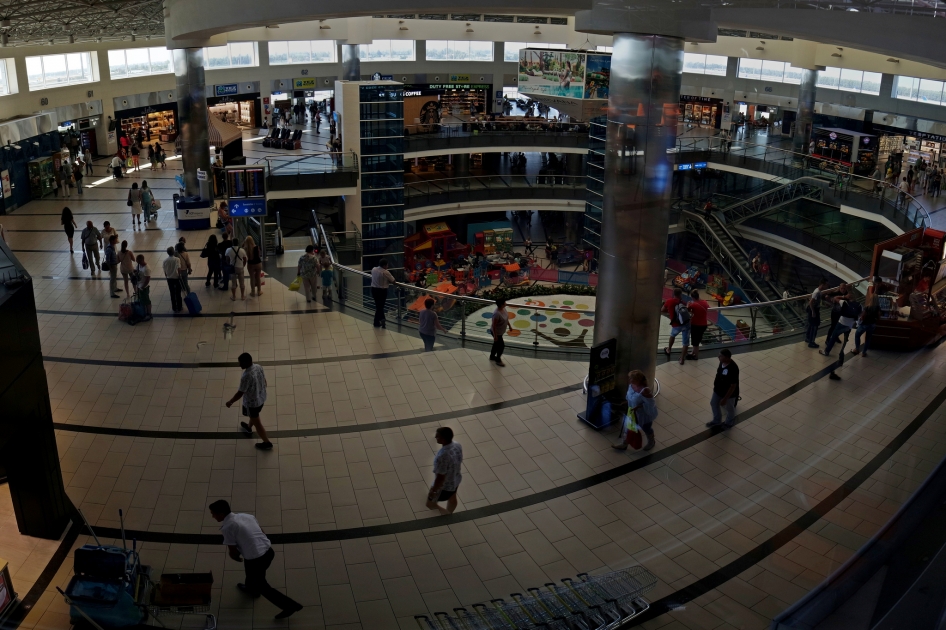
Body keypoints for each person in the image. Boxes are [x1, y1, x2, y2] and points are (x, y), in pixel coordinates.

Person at [208, 500, 302, 619]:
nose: (212, 516)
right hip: (268, 551)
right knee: (253, 574)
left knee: (262, 584)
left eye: (213, 514)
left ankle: (289, 606)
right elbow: (261, 530)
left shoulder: (228, 527)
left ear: (221, 514)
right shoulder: (246, 516)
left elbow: (232, 549)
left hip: (255, 559)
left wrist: (235, 557)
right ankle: (251, 588)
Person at [226, 352, 273, 450]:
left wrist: (230, 401)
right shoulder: (258, 367)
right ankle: (248, 427)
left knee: (258, 423)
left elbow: (240, 392)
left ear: (247, 362)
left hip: (253, 403)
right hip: (262, 398)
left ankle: (267, 442)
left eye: (241, 363)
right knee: (254, 416)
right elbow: (264, 381)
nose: (239, 365)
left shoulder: (246, 376)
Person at [612, 370, 658, 451]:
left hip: (643, 414)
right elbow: (630, 396)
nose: (630, 380)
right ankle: (624, 443)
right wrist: (627, 402)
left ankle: (651, 441)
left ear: (638, 380)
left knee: (646, 428)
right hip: (632, 411)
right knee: (629, 427)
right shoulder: (632, 385)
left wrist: (639, 406)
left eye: (632, 379)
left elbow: (651, 404)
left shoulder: (645, 390)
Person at [426, 427, 463, 515]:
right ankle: (450, 511)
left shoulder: (442, 456)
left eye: (437, 436)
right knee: (452, 498)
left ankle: (447, 516)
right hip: (456, 479)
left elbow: (440, 477)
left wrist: (434, 491)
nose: (435, 437)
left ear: (443, 439)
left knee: (430, 504)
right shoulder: (457, 445)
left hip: (445, 486)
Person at [707, 349, 739, 428]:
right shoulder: (722, 362)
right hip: (718, 390)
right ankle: (717, 420)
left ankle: (729, 422)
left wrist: (725, 399)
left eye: (720, 356)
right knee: (713, 403)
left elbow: (733, 386)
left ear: (727, 358)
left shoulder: (733, 368)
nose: (718, 357)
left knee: (729, 408)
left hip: (729, 393)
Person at [662, 288, 690, 362]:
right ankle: (682, 359)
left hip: (676, 324)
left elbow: (662, 310)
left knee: (672, 335)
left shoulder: (669, 301)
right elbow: (687, 310)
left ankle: (669, 349)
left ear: (673, 294)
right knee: (685, 342)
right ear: (680, 294)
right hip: (686, 324)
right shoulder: (683, 302)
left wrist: (669, 311)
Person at [852, 293, 880, 358]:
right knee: (868, 339)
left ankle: (857, 349)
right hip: (872, 325)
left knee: (857, 335)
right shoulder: (878, 308)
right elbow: (878, 317)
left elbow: (862, 316)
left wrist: (861, 318)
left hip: (864, 325)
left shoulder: (867, 307)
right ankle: (864, 353)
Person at [370, 259, 395, 328]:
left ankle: (379, 321)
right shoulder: (386, 272)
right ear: (384, 265)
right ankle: (379, 321)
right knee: (380, 307)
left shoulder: (374, 269)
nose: (388, 266)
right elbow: (393, 281)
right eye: (387, 265)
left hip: (374, 290)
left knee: (378, 306)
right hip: (381, 291)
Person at [805, 279, 829, 348]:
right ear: (822, 285)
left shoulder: (819, 291)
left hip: (815, 310)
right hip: (814, 310)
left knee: (811, 325)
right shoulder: (817, 292)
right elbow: (811, 302)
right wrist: (813, 311)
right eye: (826, 285)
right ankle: (811, 342)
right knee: (814, 326)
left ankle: (808, 338)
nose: (827, 286)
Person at [687, 289, 709, 360]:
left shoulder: (693, 305)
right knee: (697, 340)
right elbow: (707, 307)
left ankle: (695, 356)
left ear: (693, 298)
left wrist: (688, 305)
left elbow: (688, 310)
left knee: (695, 342)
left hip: (696, 325)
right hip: (704, 324)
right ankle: (693, 352)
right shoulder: (705, 302)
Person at [489, 298, 512, 366]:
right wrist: (495, 336)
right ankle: (498, 359)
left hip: (500, 332)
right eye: (504, 302)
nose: (506, 303)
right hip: (497, 333)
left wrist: (509, 326)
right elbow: (494, 325)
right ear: (501, 304)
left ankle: (492, 356)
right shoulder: (497, 314)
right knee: (501, 346)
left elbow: (506, 318)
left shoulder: (504, 309)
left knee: (496, 345)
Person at [163, 247, 184, 313]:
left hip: (169, 279)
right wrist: (179, 275)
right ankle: (179, 307)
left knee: (172, 293)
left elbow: (165, 271)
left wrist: (167, 276)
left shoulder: (165, 261)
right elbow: (179, 268)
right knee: (178, 293)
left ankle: (174, 307)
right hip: (176, 278)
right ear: (173, 252)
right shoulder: (177, 259)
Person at [135, 254, 152, 320]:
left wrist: (142, 287)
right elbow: (136, 271)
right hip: (139, 286)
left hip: (144, 288)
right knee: (141, 300)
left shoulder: (147, 268)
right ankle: (143, 312)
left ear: (142, 260)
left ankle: (149, 314)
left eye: (138, 261)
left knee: (146, 300)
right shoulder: (139, 265)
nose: (138, 263)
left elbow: (147, 279)